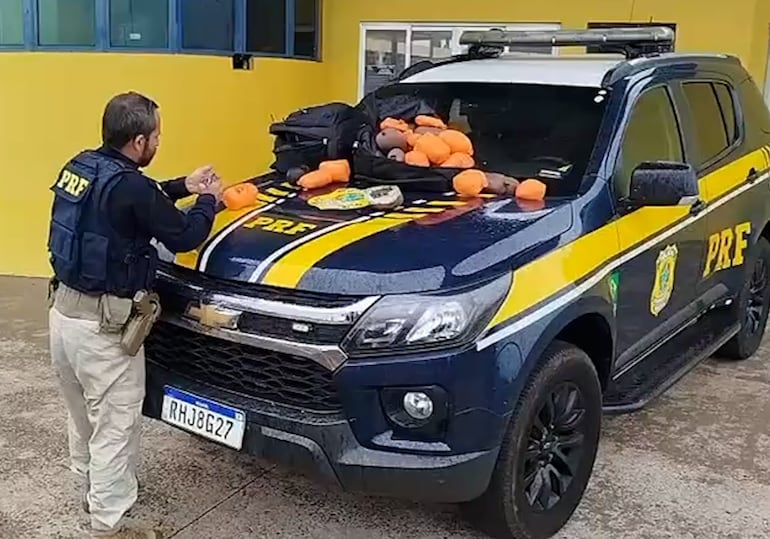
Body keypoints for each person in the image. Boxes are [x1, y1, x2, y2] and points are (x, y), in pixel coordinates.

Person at [46, 91, 222, 539]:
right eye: (157, 136)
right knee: (114, 427)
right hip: (103, 329)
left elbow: (137, 199)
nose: (159, 142)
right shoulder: (130, 188)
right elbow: (185, 236)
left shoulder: (83, 167)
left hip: (63, 316)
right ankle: (111, 524)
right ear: (139, 141)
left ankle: (91, 491)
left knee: (84, 417)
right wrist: (209, 200)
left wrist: (183, 185)